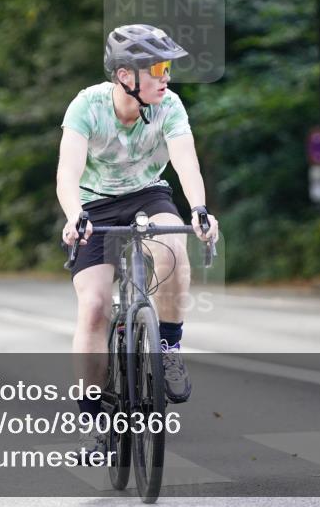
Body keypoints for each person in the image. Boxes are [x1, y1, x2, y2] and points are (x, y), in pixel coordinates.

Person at [57, 24, 219, 457]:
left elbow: (186, 165)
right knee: (92, 306)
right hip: (95, 203)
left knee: (172, 251)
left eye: (168, 69)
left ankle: (167, 344)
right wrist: (76, 216)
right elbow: (67, 174)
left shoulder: (171, 107)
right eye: (159, 69)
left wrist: (200, 209)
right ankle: (93, 421)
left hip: (148, 192)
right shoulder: (87, 106)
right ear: (126, 76)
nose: (167, 78)